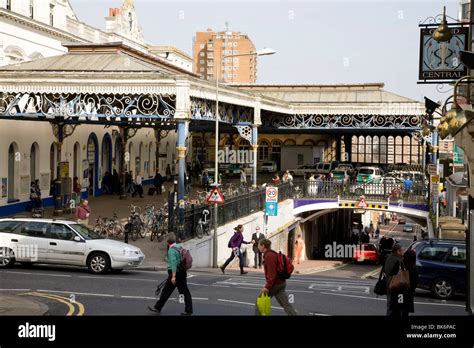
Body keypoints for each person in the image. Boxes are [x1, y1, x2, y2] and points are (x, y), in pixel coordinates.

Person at [148, 237, 193, 315]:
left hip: (176, 274)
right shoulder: (179, 247)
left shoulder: (171, 250)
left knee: (166, 291)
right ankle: (189, 310)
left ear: (168, 243)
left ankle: (157, 307)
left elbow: (174, 264)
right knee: (185, 292)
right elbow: (178, 259)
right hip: (182, 272)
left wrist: (173, 276)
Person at [255, 238, 297, 316]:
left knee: (259, 301)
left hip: (275, 284)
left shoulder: (269, 256)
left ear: (263, 246)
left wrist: (267, 287)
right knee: (286, 305)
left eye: (259, 245)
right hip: (281, 283)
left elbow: (272, 273)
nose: (258, 247)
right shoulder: (272, 253)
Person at [384, 243, 413, 316]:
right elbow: (401, 274)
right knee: (396, 307)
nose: (403, 251)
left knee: (389, 305)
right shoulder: (399, 261)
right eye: (402, 250)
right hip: (396, 287)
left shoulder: (388, 257)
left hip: (389, 285)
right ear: (397, 251)